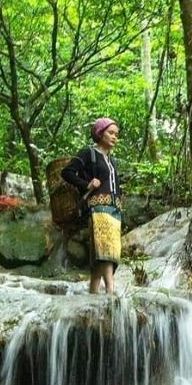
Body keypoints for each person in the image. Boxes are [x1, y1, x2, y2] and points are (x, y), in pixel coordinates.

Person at [60, 118, 122, 294]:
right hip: (98, 207)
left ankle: (93, 293)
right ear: (100, 133)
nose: (114, 137)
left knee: (101, 252)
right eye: (111, 133)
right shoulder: (89, 153)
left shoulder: (112, 161)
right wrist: (86, 184)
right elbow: (67, 172)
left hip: (114, 209)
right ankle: (110, 290)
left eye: (116, 134)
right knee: (106, 248)